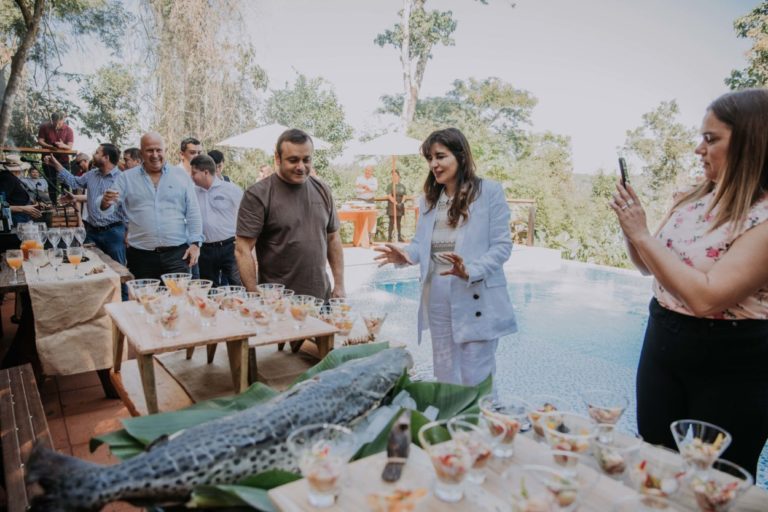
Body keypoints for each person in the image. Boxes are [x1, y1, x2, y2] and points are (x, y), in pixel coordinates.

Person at [610, 88, 768, 479]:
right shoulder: (691, 199)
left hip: (733, 361)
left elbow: (705, 298)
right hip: (664, 340)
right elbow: (648, 268)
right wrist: (633, 231)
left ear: (751, 143)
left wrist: (644, 235)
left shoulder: (764, 218)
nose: (699, 149)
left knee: (714, 475)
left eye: (711, 139)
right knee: (655, 454)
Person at [374, 128, 517, 387]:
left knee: (476, 375)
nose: (434, 164)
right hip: (437, 293)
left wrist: (470, 270)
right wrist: (405, 255)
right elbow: (421, 244)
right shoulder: (429, 199)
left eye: (440, 156)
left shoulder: (489, 192)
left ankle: (478, 425)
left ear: (460, 156)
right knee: (444, 370)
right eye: (430, 158)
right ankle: (447, 424)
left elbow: (502, 246)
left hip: (474, 291)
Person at [235, 128, 345, 301]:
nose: (301, 167)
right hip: (277, 302)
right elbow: (242, 250)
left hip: (320, 299)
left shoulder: (322, 189)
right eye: (293, 160)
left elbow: (333, 239)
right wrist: (253, 293)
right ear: (277, 159)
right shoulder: (258, 194)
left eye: (306, 159)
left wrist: (339, 284)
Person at [100, 132, 203, 280]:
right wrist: (104, 202)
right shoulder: (126, 178)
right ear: (141, 153)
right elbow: (108, 207)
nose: (155, 155)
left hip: (177, 256)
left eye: (158, 150)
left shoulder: (181, 177)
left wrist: (195, 244)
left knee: (179, 300)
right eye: (149, 150)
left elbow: (193, 212)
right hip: (141, 258)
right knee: (144, 301)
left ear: (164, 151)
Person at [46, 143, 127, 267]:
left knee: (118, 271)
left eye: (97, 153)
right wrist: (56, 165)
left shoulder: (122, 179)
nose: (93, 155)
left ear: (106, 157)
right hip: (92, 232)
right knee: (91, 268)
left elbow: (129, 208)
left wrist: (128, 233)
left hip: (114, 233)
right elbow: (74, 182)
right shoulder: (92, 174)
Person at [191, 154, 243, 286]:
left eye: (194, 173)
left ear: (206, 172)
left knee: (236, 284)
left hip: (229, 247)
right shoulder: (192, 193)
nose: (191, 176)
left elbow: (244, 216)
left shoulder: (231, 190)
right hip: (206, 249)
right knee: (208, 287)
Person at [37, 112, 74, 203]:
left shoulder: (68, 130)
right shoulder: (44, 127)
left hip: (63, 160)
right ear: (52, 120)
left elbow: (69, 146)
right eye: (55, 123)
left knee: (65, 182)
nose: (57, 125)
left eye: (60, 123)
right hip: (48, 159)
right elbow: (40, 141)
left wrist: (62, 145)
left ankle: (67, 203)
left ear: (63, 120)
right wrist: (50, 146)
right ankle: (54, 204)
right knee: (51, 182)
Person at [0, 155, 41, 224]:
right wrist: (23, 209)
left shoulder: (11, 177)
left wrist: (31, 202)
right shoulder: (7, 178)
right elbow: (1, 204)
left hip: (20, 217)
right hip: (15, 218)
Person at [386, 169, 407, 242]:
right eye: (393, 175)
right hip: (392, 204)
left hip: (400, 204)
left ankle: (399, 237)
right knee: (391, 222)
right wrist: (395, 203)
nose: (394, 177)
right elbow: (389, 195)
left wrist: (401, 203)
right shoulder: (390, 185)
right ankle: (389, 238)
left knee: (398, 222)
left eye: (395, 175)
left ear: (398, 176)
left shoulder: (402, 186)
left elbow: (404, 195)